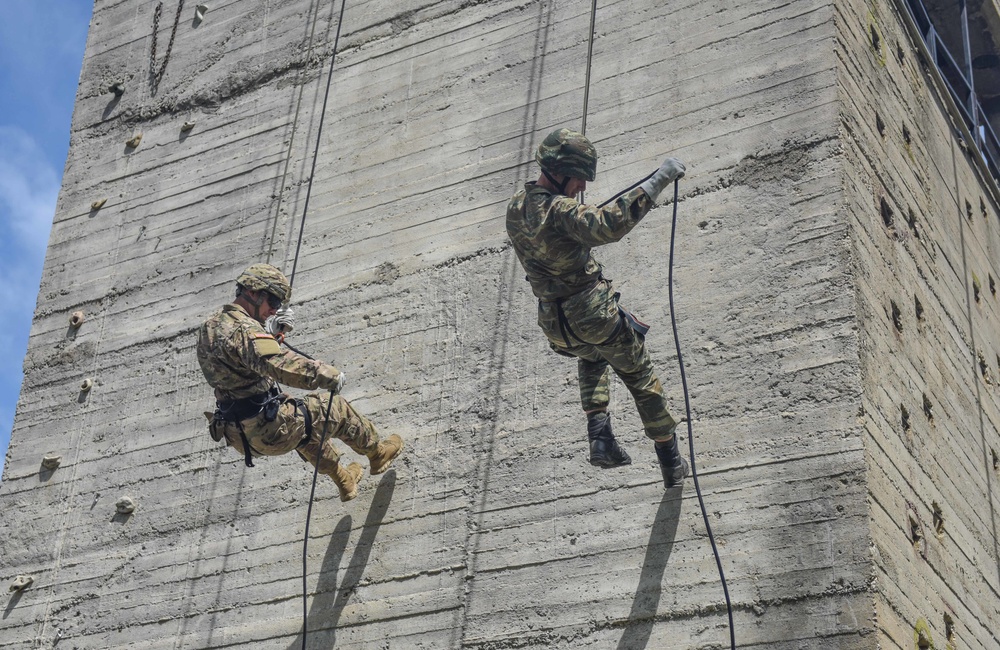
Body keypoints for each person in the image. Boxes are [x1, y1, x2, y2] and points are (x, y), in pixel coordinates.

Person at [505, 128, 688, 488]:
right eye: (578, 180)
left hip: (555, 324)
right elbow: (609, 225)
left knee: (592, 358)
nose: (581, 188)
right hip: (591, 312)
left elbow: (560, 228)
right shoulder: (559, 209)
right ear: (560, 172)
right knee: (640, 377)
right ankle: (671, 463)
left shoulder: (515, 207)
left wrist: (574, 208)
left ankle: (600, 438)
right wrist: (659, 180)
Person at [196, 263, 403, 501]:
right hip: (268, 429)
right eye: (272, 302)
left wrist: (271, 334)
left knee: (304, 429)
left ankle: (344, 480)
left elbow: (240, 362)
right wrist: (323, 374)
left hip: (238, 433)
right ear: (252, 292)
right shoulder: (243, 330)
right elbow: (278, 364)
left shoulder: (210, 326)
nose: (274, 310)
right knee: (333, 409)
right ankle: (378, 454)